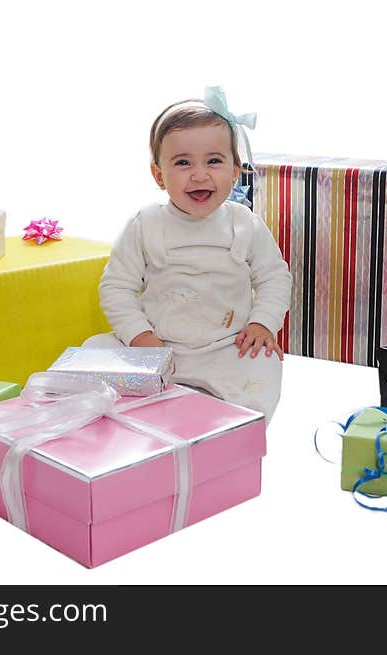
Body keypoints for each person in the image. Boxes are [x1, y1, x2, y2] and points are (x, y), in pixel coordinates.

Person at [87, 87, 292, 425]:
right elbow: (116, 287)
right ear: (159, 175)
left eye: (214, 161)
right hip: (158, 344)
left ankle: (231, 437)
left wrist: (262, 323)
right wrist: (141, 337)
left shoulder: (244, 224)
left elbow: (274, 277)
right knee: (93, 352)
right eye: (183, 163)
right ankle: (131, 424)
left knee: (263, 369)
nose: (200, 174)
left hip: (226, 347)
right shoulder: (146, 224)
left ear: (235, 171)